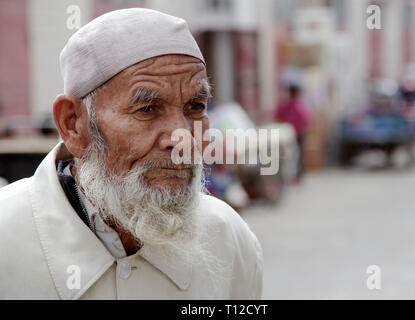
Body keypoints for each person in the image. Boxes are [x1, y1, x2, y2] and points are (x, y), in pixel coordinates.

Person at [0, 8, 263, 299]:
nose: (183, 139)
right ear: (73, 124)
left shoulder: (229, 240)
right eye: (147, 109)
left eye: (196, 107)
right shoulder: (7, 236)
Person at [274, 85, 311, 181]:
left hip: (295, 135)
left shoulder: (294, 106)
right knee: (293, 156)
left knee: (295, 156)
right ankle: (294, 175)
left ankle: (297, 175)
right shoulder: (295, 106)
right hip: (290, 135)